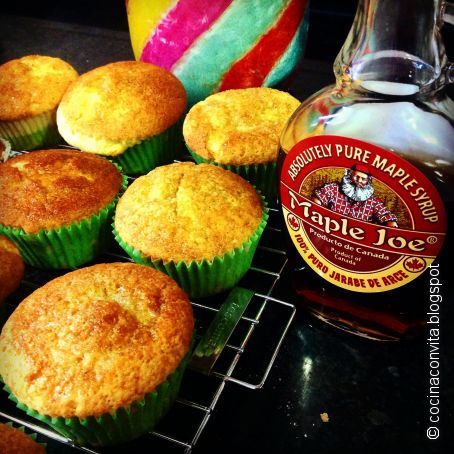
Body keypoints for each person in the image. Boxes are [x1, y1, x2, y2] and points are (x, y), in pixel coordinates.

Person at [313, 163, 398, 227]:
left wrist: (391, 224)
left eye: (363, 179)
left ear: (368, 181)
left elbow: (385, 215)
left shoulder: (372, 202)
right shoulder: (334, 188)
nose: (359, 181)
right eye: (356, 177)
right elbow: (319, 197)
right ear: (349, 175)